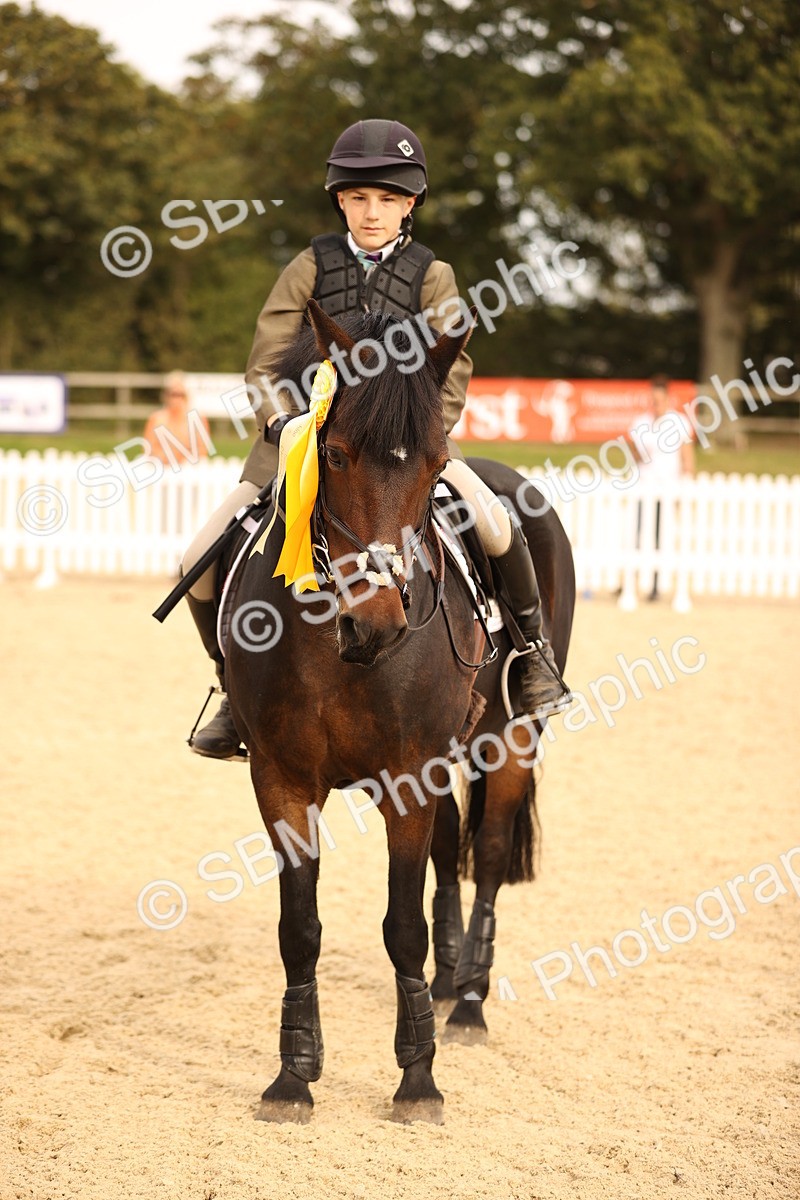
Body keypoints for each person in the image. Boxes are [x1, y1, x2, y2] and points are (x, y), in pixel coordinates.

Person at [181, 118, 572, 758]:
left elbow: (453, 371)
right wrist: (285, 428)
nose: (372, 212)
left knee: (496, 523)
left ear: (409, 204)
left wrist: (420, 442)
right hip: (304, 449)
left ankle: (533, 656)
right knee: (194, 562)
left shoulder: (432, 275)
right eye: (360, 198)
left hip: (404, 455)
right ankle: (230, 688)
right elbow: (265, 361)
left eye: (388, 200)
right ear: (340, 199)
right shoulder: (309, 266)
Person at [628, 375, 695, 600]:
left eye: (659, 399)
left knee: (658, 535)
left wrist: (686, 487)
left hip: (667, 488)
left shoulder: (679, 423)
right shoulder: (641, 423)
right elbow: (634, 452)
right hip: (643, 485)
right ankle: (630, 580)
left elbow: (687, 457)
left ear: (667, 398)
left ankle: (655, 584)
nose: (656, 404)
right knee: (636, 534)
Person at [143, 371, 210, 466]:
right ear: (166, 395)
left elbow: (203, 450)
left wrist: (182, 457)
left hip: (188, 466)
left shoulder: (199, 419)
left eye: (180, 395)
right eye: (173, 394)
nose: (176, 399)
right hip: (162, 465)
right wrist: (166, 457)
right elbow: (148, 449)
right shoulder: (156, 418)